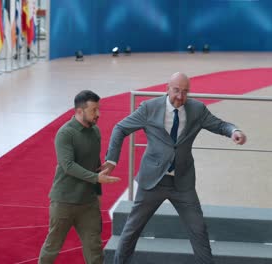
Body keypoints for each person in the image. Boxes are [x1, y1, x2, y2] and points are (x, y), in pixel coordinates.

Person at [103, 72, 247, 264]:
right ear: (167, 89)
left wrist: (234, 131)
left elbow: (220, 125)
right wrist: (112, 161)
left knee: (199, 231)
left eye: (185, 92)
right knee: (132, 230)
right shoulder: (149, 108)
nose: (180, 96)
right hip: (153, 181)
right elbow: (120, 128)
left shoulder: (197, 109)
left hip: (182, 182)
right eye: (176, 90)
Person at [38, 90, 121, 264]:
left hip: (88, 203)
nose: (98, 114)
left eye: (98, 109)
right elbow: (68, 166)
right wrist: (96, 178)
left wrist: (98, 192)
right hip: (63, 202)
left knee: (95, 249)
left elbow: (95, 164)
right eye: (93, 110)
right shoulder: (65, 134)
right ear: (79, 111)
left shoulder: (95, 131)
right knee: (52, 247)